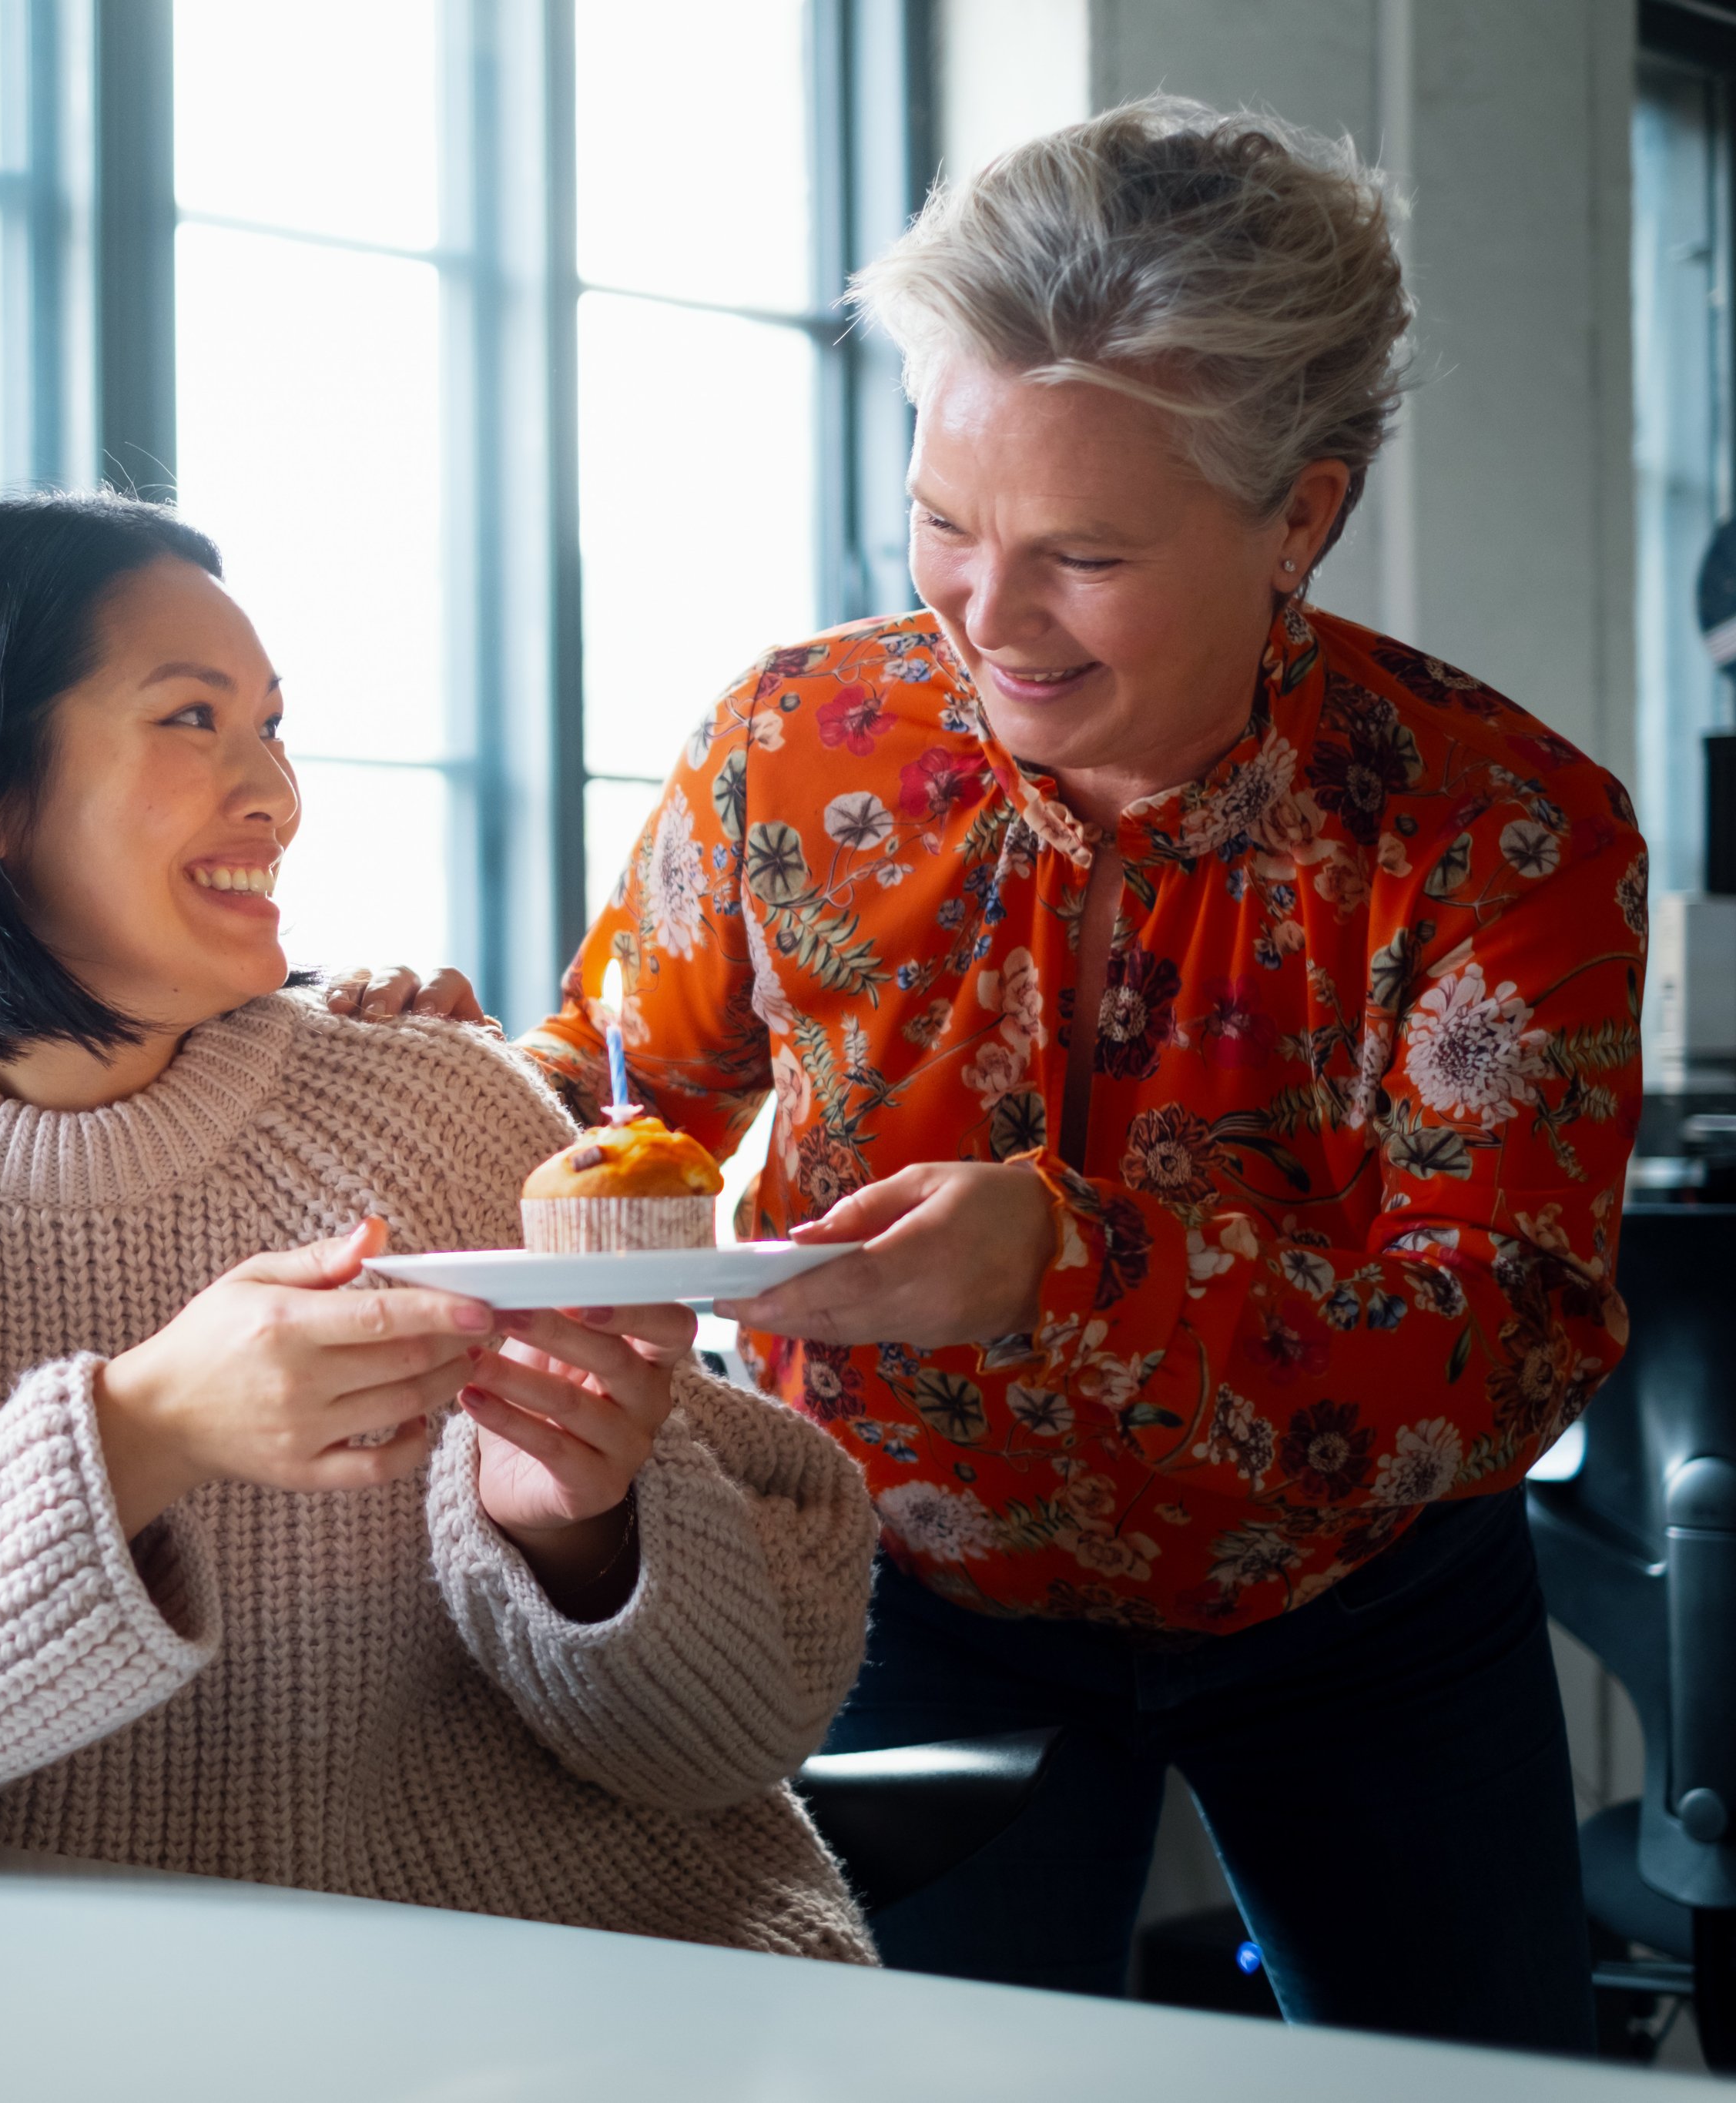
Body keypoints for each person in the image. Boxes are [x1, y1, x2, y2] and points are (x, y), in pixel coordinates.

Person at [347, 100, 1643, 2049]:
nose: (984, 613)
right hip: (889, 1581)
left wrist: (1071, 1267)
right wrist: (433, 1083)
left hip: (1361, 1614)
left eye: (1083, 555)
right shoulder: (795, 743)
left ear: (1301, 510)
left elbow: (1510, 1336)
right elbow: (617, 1100)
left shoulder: (1505, 834)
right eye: (942, 524)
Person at [0, 494, 876, 1961]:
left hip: (558, 1994)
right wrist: (144, 1429)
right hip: (31, 2028)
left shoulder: (447, 1107)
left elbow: (739, 1738)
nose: (277, 795)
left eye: (275, 725)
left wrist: (580, 1534)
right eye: (192, 720)